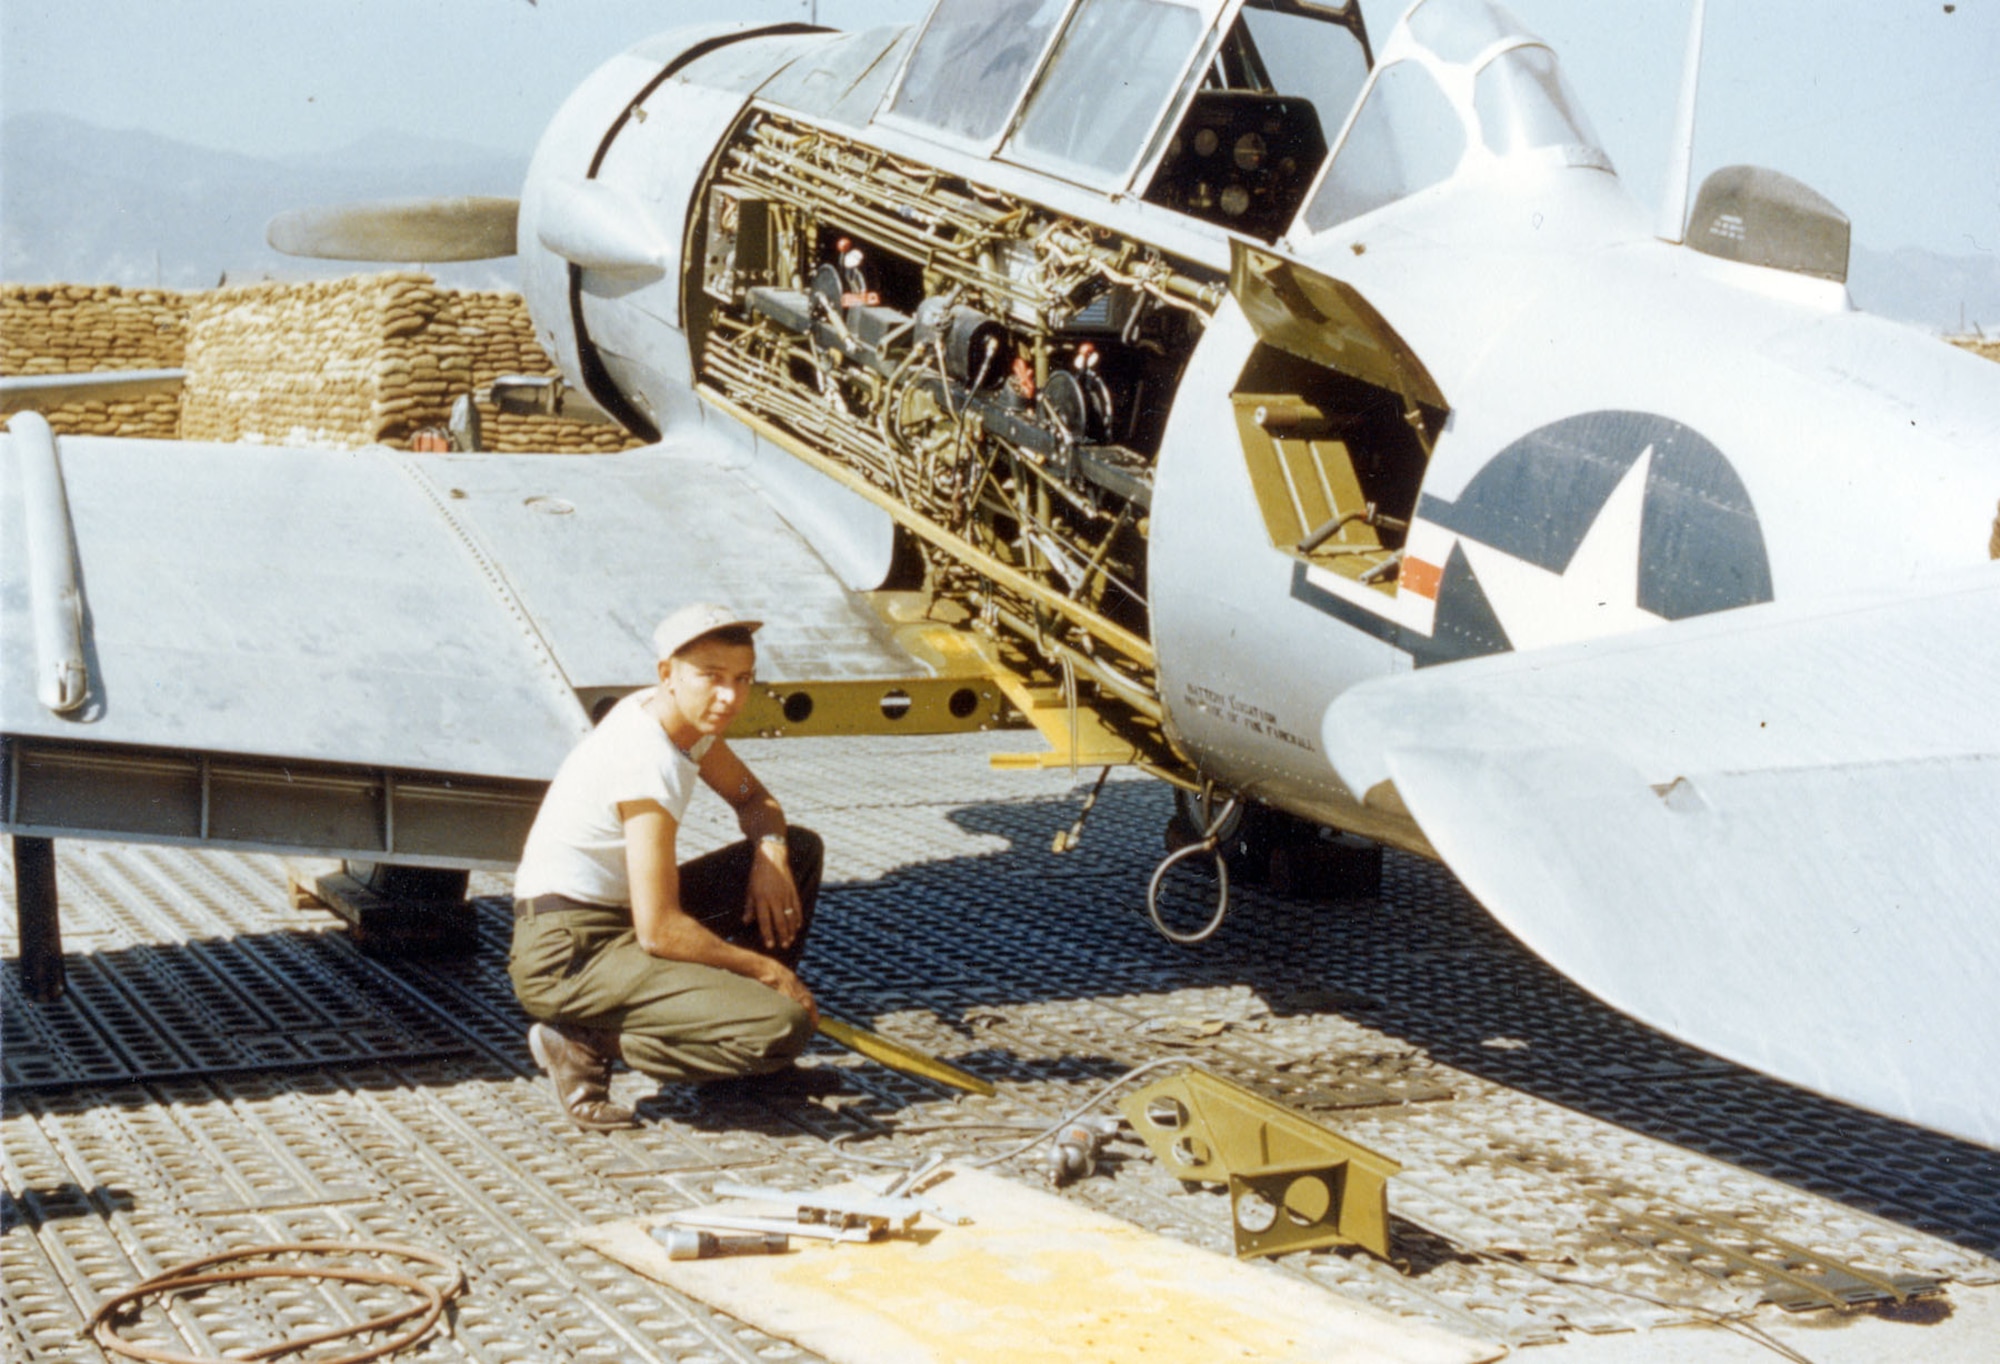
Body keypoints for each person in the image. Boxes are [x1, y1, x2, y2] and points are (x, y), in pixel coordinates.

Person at [508, 602, 823, 1130]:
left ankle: (745, 1051)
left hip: (614, 921)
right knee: (779, 1025)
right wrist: (768, 972)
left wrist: (771, 853)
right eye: (712, 677)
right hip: (568, 954)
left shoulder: (677, 720)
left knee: (800, 851)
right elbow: (661, 931)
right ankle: (582, 1040)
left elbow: (754, 801)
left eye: (744, 679)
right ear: (667, 675)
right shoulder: (645, 758)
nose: (729, 697)